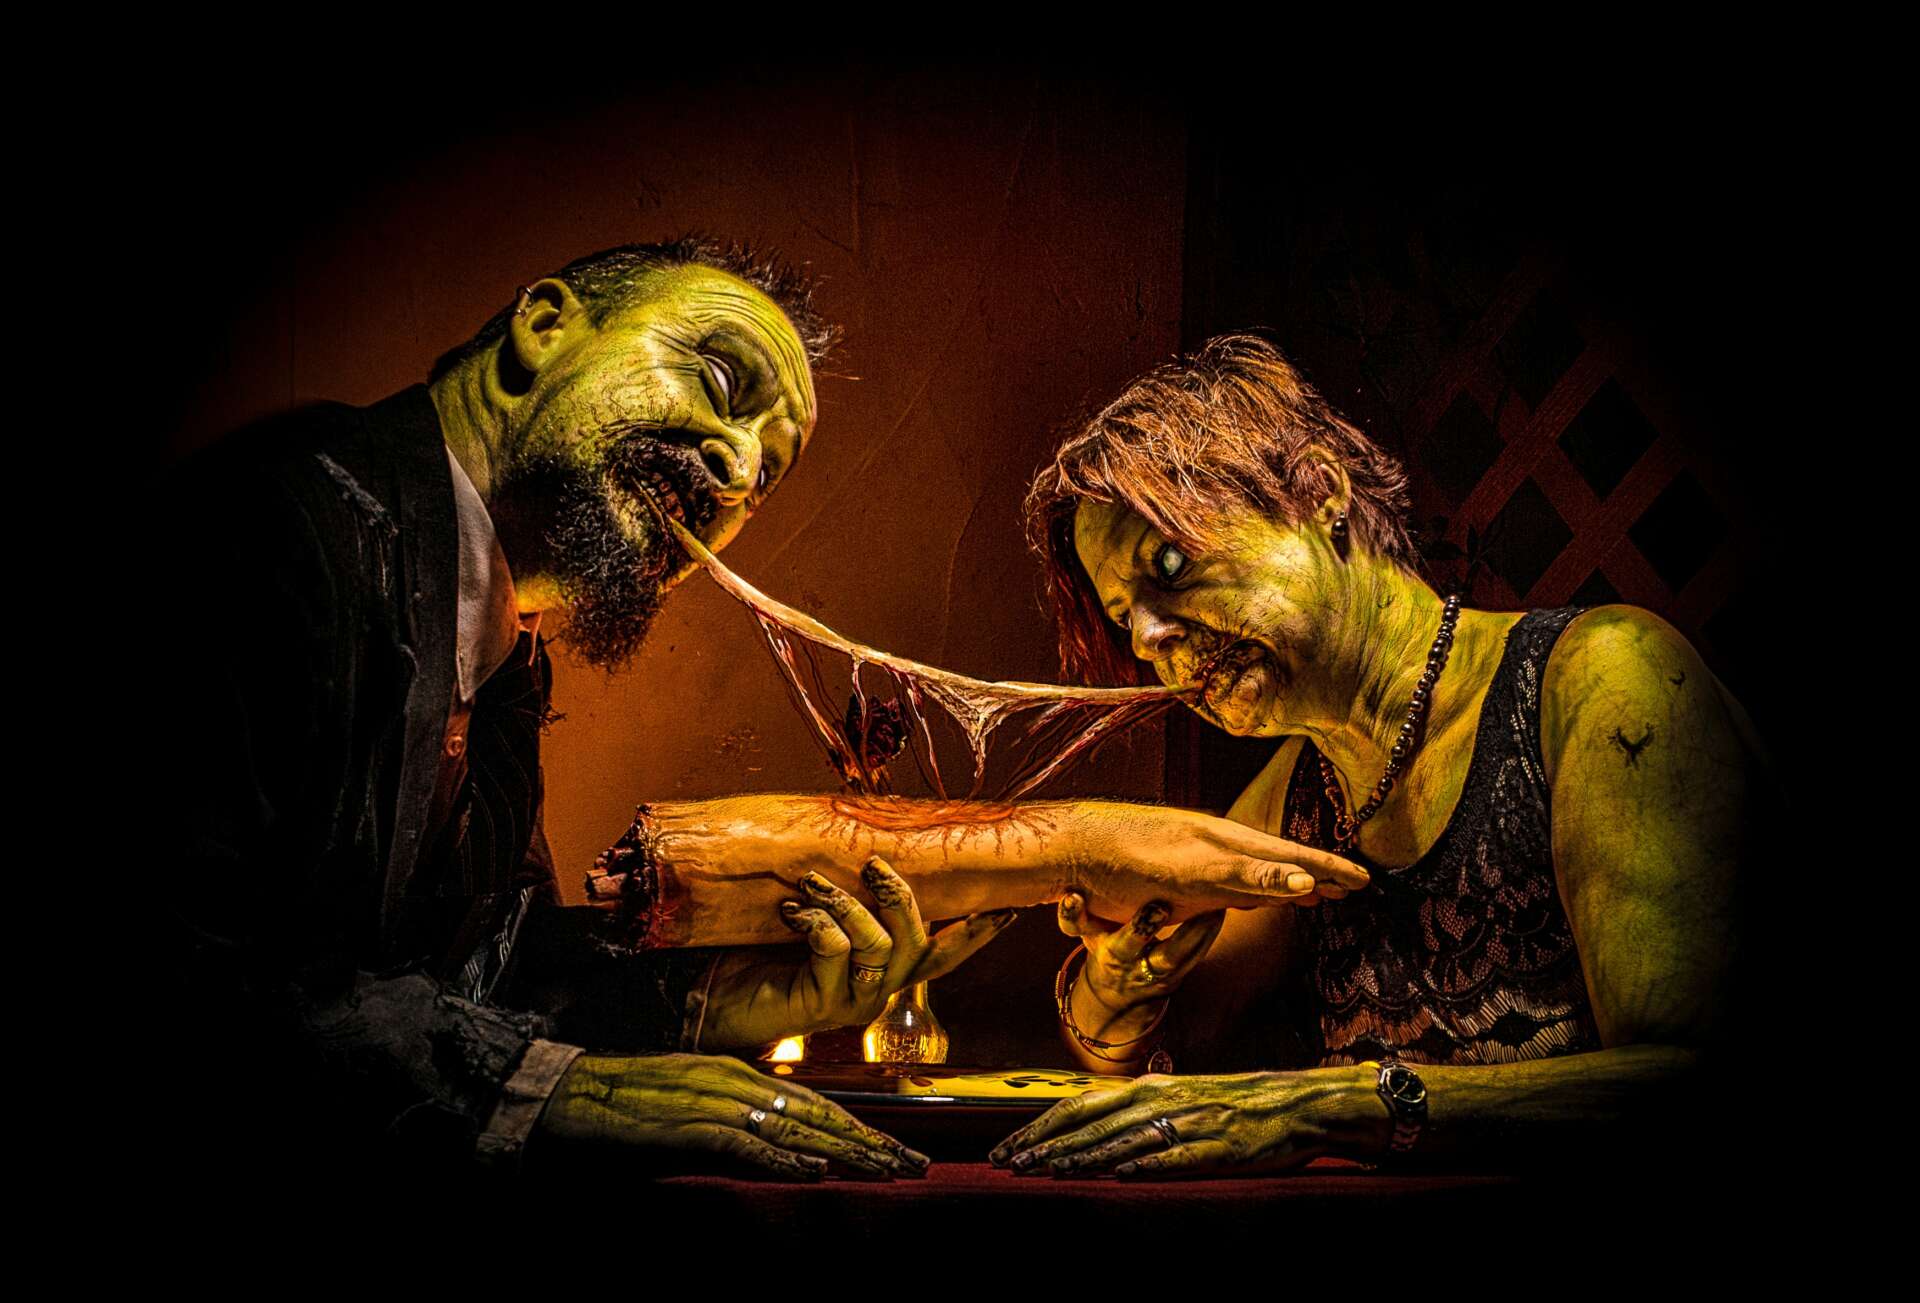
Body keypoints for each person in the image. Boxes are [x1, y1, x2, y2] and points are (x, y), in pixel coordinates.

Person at [152, 244, 1359, 1188]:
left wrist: (729, 1004)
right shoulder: (279, 529)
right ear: (543, 329)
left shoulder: (499, 649)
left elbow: (478, 971)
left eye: (763, 474)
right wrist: (534, 1088)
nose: (732, 472)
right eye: (720, 382)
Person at [991, 334, 1764, 1178]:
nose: (1146, 638)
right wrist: (1113, 988)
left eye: (1169, 564)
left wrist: (1337, 1106)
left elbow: (1699, 1089)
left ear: (1320, 491)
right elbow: (1153, 1054)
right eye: (1122, 615)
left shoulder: (1609, 680)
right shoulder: (1301, 790)